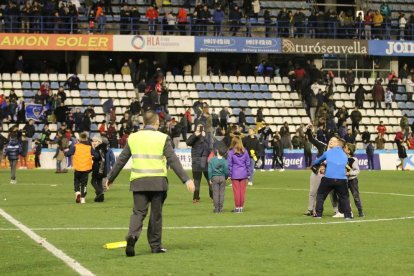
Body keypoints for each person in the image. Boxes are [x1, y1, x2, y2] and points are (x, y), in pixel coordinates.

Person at [104, 111, 195, 257]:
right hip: (158, 182)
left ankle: (132, 237)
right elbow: (173, 160)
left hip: (138, 181)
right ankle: (155, 246)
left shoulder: (133, 137)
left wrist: (110, 177)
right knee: (156, 214)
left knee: (138, 212)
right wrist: (186, 179)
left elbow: (121, 159)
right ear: (157, 122)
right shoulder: (162, 137)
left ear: (143, 122)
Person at [312, 137, 353, 219]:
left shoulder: (328, 152)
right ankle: (348, 215)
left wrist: (318, 163)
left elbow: (316, 162)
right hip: (342, 179)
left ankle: (319, 214)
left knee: (320, 195)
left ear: (337, 143)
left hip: (329, 178)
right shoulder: (344, 155)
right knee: (344, 197)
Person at [65, 132, 93, 204]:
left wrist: (65, 152)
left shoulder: (75, 146)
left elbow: (68, 154)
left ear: (80, 138)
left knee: (76, 181)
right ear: (86, 138)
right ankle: (83, 198)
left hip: (78, 168)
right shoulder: (89, 147)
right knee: (84, 184)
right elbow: (95, 154)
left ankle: (77, 192)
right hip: (86, 168)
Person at [186, 124, 211, 203]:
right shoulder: (193, 136)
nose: (199, 129)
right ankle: (196, 198)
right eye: (198, 128)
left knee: (209, 180)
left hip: (205, 162)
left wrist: (204, 137)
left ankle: (213, 196)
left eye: (200, 128)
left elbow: (210, 147)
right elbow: (188, 142)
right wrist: (195, 135)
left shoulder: (207, 136)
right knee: (197, 180)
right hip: (196, 162)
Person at [227, 136, 250, 213]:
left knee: (236, 192)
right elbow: (248, 164)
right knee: (242, 192)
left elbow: (229, 164)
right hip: (243, 174)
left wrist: (229, 175)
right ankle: (241, 207)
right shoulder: (245, 151)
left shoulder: (231, 152)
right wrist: (248, 174)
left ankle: (237, 207)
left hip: (235, 174)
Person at [345, 144, 364, 217]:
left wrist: (350, 173)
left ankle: (360, 211)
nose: (343, 149)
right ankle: (347, 211)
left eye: (345, 148)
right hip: (344, 180)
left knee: (355, 196)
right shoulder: (342, 158)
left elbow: (357, 170)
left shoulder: (353, 159)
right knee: (345, 196)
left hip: (352, 180)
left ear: (349, 151)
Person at [208, 147, 229, 213]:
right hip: (222, 177)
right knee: (222, 193)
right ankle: (221, 208)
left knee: (215, 193)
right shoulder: (225, 161)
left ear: (217, 152)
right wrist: (225, 177)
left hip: (214, 177)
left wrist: (209, 178)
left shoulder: (212, 160)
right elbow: (226, 171)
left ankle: (216, 208)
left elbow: (209, 170)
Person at [91, 134, 108, 202]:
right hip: (102, 168)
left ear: (99, 142)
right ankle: (100, 197)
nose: (94, 142)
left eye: (96, 141)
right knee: (99, 182)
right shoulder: (103, 148)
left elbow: (98, 157)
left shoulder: (99, 149)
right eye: (93, 141)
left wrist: (92, 157)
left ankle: (99, 193)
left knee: (93, 181)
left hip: (98, 168)